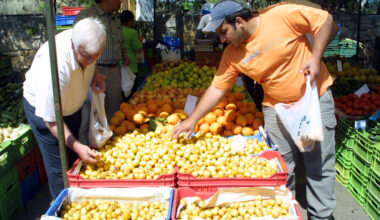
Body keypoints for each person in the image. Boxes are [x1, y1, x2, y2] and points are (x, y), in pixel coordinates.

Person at [172, 1, 340, 219]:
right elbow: (216, 88)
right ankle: (281, 212)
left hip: (313, 99)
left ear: (239, 22)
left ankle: (321, 216)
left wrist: (316, 58)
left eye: (223, 32)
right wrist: (192, 120)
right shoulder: (232, 54)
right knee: (279, 168)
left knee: (318, 165)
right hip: (276, 107)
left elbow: (325, 20)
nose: (222, 39)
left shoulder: (280, 15)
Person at [23, 18, 106, 200]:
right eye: (87, 57)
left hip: (70, 105)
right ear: (74, 46)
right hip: (47, 115)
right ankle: (62, 206)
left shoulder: (86, 46)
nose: (92, 60)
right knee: (60, 167)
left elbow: (91, 59)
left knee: (73, 159)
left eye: (97, 56)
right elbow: (51, 118)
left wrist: (95, 75)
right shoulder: (55, 66)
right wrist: (77, 146)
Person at [74, 0, 130, 121]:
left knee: (114, 110)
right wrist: (91, 70)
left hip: (114, 69)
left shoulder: (115, 19)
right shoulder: (86, 16)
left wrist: (124, 53)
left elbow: (121, 41)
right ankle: (86, 140)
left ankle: (113, 138)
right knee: (91, 112)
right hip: (93, 69)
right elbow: (76, 44)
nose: (120, 1)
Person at [120, 9, 144, 101]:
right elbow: (138, 50)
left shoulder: (117, 31)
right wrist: (140, 41)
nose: (132, 23)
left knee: (122, 90)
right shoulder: (132, 33)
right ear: (129, 21)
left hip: (119, 65)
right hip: (131, 65)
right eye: (132, 21)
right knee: (131, 92)